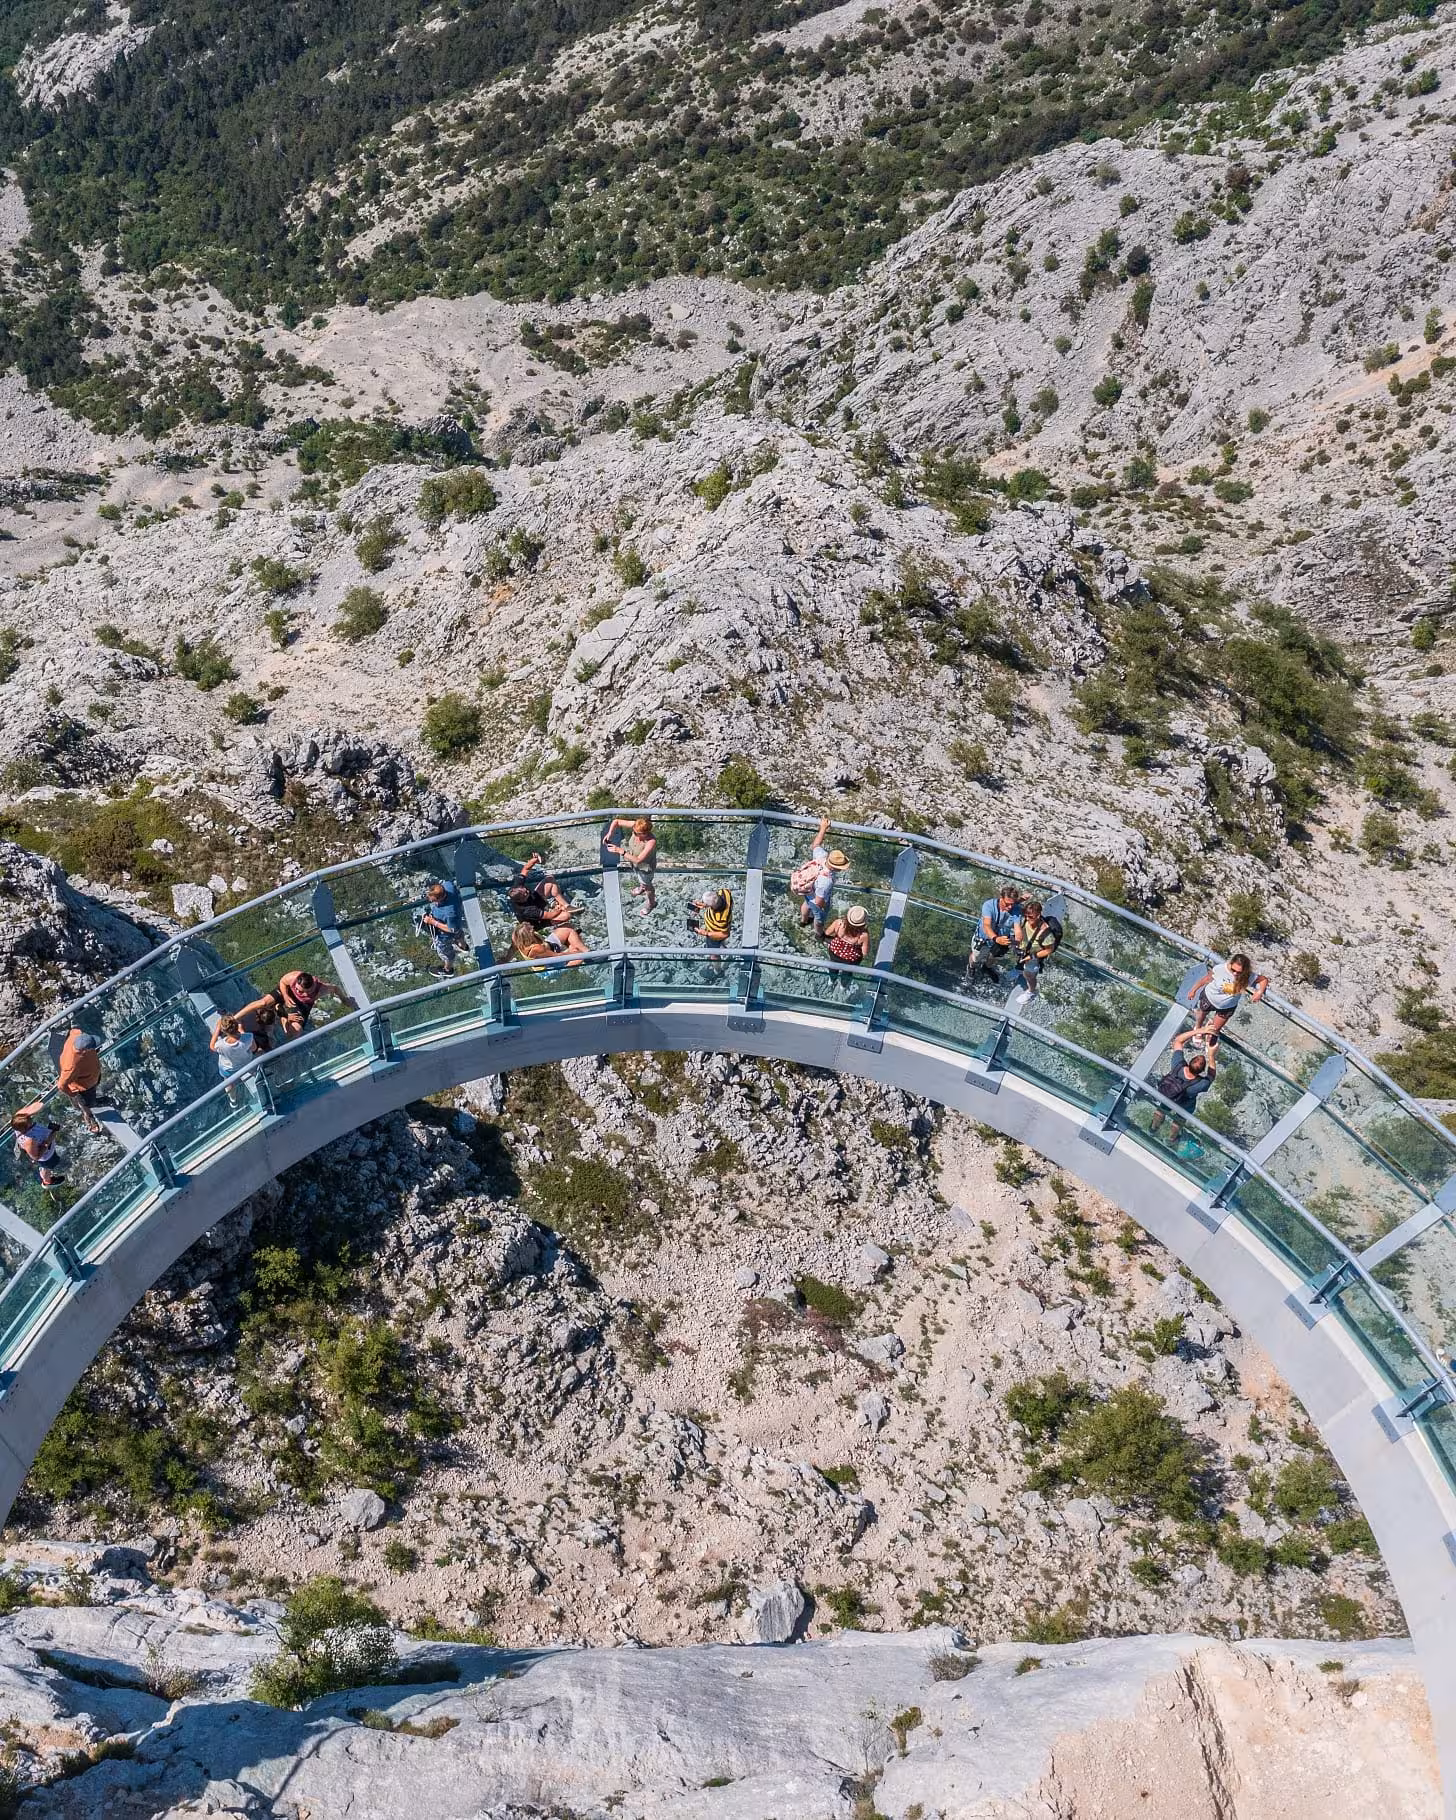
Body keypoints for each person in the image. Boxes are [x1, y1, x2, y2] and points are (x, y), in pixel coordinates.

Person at [1149, 1032, 1218, 1146]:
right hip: (1185, 1105)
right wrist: (1211, 1055)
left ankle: (1153, 1129)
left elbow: (1178, 1041)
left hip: (1168, 1096)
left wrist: (1200, 1030)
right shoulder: (1201, 1083)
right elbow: (1211, 1076)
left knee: (1161, 1110)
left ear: (1189, 1062)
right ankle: (1170, 1140)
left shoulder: (1178, 1065)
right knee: (1178, 1121)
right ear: (1201, 1072)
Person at [1187, 953, 1269, 1039]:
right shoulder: (1220, 969)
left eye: (1239, 972)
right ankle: (1198, 1028)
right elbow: (1207, 978)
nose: (1235, 974)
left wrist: (1259, 992)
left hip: (1227, 1006)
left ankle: (1208, 1038)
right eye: (1233, 970)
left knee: (1215, 1030)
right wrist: (1193, 990)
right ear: (1230, 964)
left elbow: (1263, 979)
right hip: (1209, 998)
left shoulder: (1248, 976)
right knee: (1201, 1015)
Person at [793, 813, 850, 937]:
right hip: (815, 897)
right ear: (836, 867)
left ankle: (803, 921)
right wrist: (824, 908)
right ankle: (819, 934)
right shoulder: (827, 881)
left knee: (806, 904)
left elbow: (816, 845)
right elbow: (819, 901)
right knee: (819, 919)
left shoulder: (821, 856)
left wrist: (823, 828)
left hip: (808, 889)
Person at [53, 1028, 104, 1135]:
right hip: (83, 1086)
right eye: (93, 1047)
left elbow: (74, 1030)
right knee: (86, 1105)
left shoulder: (77, 1035)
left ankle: (93, 1101)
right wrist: (72, 1093)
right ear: (84, 1051)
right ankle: (90, 1119)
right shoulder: (71, 1066)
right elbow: (61, 1085)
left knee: (92, 1096)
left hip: (92, 1076)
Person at [968, 882, 1022, 983]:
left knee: (993, 958)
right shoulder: (989, 906)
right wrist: (996, 938)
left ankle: (986, 968)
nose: (1010, 907)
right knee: (976, 957)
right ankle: (971, 968)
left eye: (1012, 904)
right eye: (1007, 904)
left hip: (1002, 940)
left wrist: (1017, 941)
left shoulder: (1016, 910)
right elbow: (987, 925)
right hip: (984, 938)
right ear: (1001, 898)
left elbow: (1017, 929)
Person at [275, 970, 352, 1039]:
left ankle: (282, 1017)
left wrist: (344, 999)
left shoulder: (321, 989)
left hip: (303, 1004)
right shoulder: (293, 977)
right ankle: (279, 1011)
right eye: (296, 989)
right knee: (264, 1003)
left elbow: (335, 988)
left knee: (295, 1033)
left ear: (309, 990)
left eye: (301, 991)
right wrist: (285, 996)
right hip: (288, 994)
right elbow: (282, 982)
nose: (298, 992)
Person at [605, 816, 658, 916]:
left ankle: (651, 903)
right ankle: (641, 887)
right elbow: (616, 821)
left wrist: (620, 851)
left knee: (648, 886)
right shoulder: (636, 825)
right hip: (633, 862)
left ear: (645, 833)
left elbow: (639, 860)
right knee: (641, 879)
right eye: (634, 832)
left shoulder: (651, 842)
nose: (634, 834)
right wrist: (610, 834)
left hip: (645, 867)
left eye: (637, 834)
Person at [1009, 900, 1062, 997]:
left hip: (1033, 956)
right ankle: (1019, 969)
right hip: (1023, 949)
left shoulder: (1045, 932)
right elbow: (1011, 908)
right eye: (1026, 916)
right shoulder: (1025, 919)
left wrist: (1031, 957)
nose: (1027, 919)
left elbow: (1049, 949)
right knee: (1021, 961)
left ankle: (1031, 991)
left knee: (1029, 975)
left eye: (1031, 917)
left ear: (1038, 915)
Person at [419, 880, 467, 977]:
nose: (429, 899)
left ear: (439, 899)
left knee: (446, 952)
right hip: (457, 920)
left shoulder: (449, 912)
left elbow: (451, 929)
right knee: (459, 934)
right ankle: (463, 946)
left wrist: (433, 922)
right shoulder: (448, 886)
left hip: (444, 935)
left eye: (432, 900)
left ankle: (447, 970)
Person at [511, 853, 576, 925]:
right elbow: (549, 915)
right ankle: (556, 909)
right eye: (526, 894)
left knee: (549, 879)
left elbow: (525, 869)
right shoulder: (527, 910)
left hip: (535, 900)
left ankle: (566, 906)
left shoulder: (517, 886)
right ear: (521, 900)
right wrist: (558, 910)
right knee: (566, 915)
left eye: (526, 890)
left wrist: (535, 860)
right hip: (539, 921)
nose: (528, 892)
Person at [10, 1109, 63, 1187]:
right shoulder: (29, 1141)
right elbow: (36, 1157)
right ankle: (47, 1182)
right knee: (48, 1167)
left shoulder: (18, 1126)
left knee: (46, 1166)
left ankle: (43, 1168)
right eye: (30, 1124)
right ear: (24, 1129)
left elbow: (20, 1115)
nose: (32, 1123)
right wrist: (49, 1139)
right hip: (47, 1156)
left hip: (48, 1147)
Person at [210, 1015, 257, 1103]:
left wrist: (217, 1028)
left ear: (223, 1030)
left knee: (229, 1083)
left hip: (229, 1069)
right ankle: (259, 1083)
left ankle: (233, 1100)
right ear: (236, 1025)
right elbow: (253, 1048)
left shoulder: (220, 1045)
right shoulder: (248, 1036)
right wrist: (242, 1031)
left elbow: (212, 1046)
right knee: (253, 1071)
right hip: (246, 1063)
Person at [511, 919, 587, 968]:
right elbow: (557, 956)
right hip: (549, 964)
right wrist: (572, 953)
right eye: (531, 929)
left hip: (548, 946)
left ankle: (574, 943)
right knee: (580, 956)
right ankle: (587, 954)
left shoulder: (518, 940)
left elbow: (512, 946)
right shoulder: (536, 948)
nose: (533, 927)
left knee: (567, 927)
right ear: (529, 935)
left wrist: (505, 959)